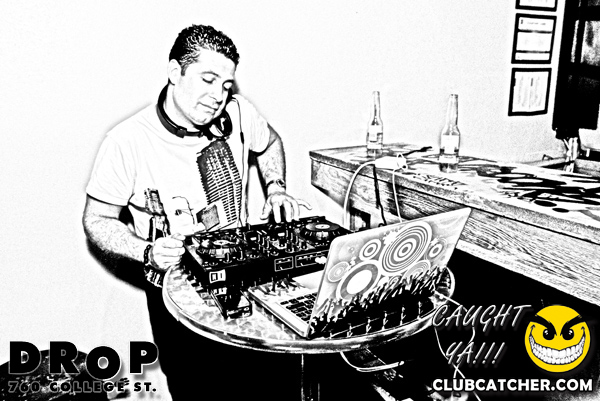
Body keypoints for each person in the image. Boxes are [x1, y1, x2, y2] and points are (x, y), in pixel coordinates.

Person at [82, 24, 318, 400]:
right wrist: (146, 251)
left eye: (225, 85)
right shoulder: (127, 141)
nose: (217, 97)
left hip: (244, 281)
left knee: (270, 387)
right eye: (207, 80)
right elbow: (97, 219)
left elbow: (270, 141)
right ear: (175, 72)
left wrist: (276, 187)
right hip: (177, 295)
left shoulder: (239, 113)